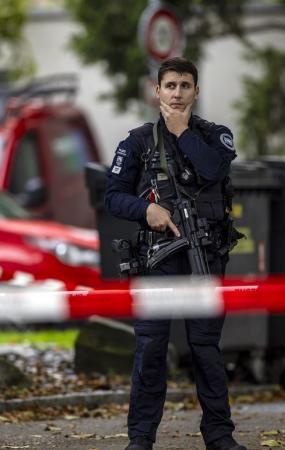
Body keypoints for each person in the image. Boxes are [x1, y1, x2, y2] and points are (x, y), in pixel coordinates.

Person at [105, 57, 246, 450]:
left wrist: (183, 132)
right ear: (158, 91)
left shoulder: (215, 136)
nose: (178, 93)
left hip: (206, 258)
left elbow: (214, 171)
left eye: (185, 86)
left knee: (206, 350)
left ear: (196, 92)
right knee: (150, 348)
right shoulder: (136, 143)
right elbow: (112, 196)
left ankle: (219, 436)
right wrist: (145, 209)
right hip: (158, 262)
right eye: (171, 86)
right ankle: (140, 438)